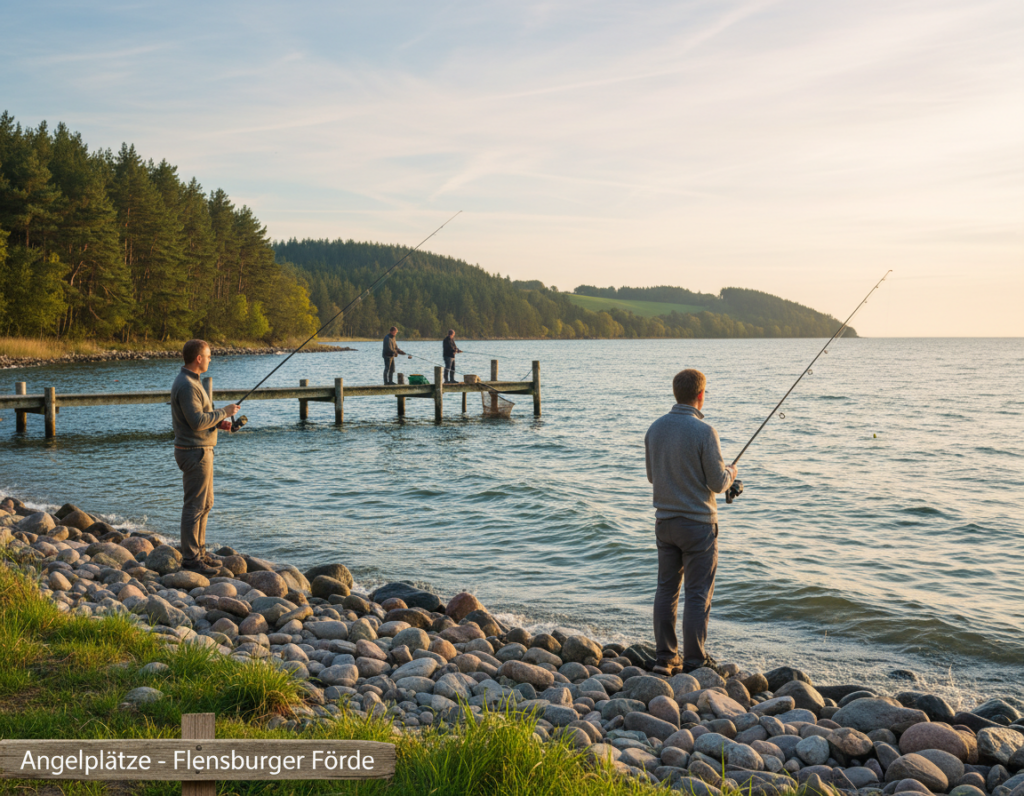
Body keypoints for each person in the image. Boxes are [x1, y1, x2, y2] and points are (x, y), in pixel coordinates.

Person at [644, 368, 738, 676]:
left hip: (664, 523)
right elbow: (717, 483)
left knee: (666, 590)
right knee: (697, 594)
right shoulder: (705, 431)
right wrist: (732, 474)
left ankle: (665, 657)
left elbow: (651, 477)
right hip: (698, 526)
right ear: (700, 395)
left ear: (676, 393)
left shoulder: (654, 429)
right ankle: (695, 661)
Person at [171, 339, 240, 576]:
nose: (211, 359)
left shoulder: (193, 382)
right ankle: (190, 559)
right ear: (198, 358)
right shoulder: (188, 385)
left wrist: (223, 424)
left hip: (200, 450)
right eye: (209, 356)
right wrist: (225, 411)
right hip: (194, 452)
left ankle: (199, 552)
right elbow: (197, 422)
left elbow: (202, 418)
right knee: (194, 506)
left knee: (206, 503)